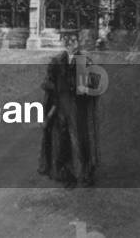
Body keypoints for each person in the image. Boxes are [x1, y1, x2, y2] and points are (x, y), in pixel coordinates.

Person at [38, 49, 99, 187]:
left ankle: (85, 173)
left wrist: (83, 87)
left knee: (80, 140)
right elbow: (49, 87)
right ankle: (68, 174)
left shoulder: (83, 62)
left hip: (77, 109)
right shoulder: (57, 63)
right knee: (63, 141)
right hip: (62, 108)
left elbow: (90, 88)